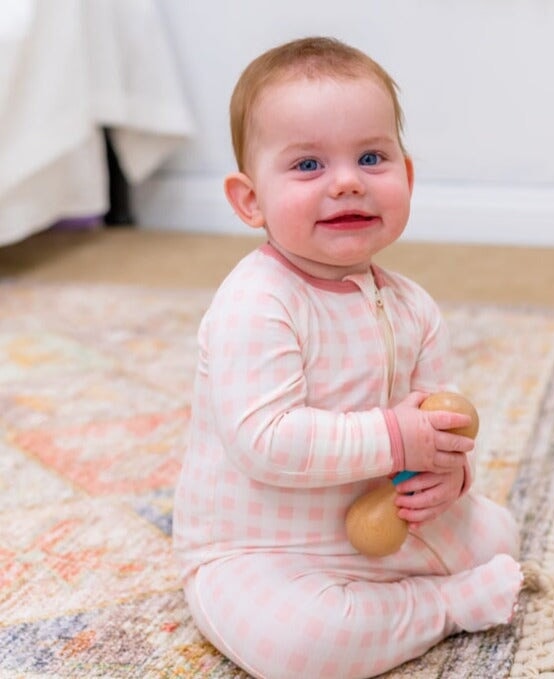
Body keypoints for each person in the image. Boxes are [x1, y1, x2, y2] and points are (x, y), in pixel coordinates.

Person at [173, 36, 523, 679]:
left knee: (497, 534)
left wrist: (447, 478)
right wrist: (397, 436)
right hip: (264, 549)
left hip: (378, 522)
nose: (346, 182)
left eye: (371, 157)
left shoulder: (413, 304)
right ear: (250, 200)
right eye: (307, 165)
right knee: (302, 647)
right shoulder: (257, 303)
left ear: (406, 177)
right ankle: (440, 606)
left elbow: (436, 425)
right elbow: (265, 441)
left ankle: (393, 597)